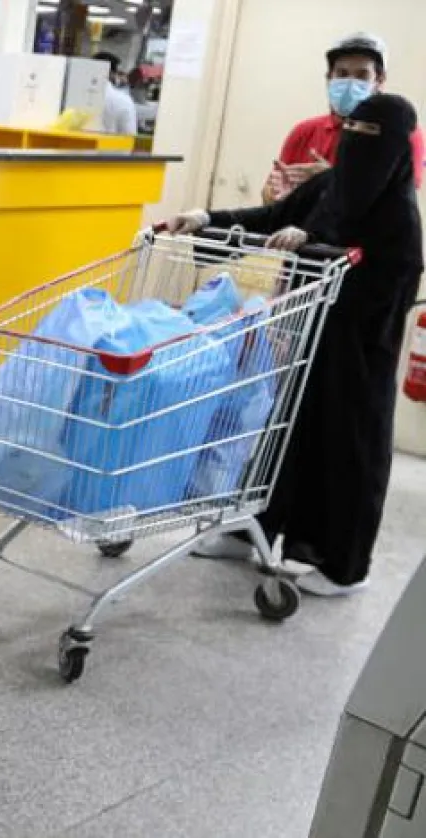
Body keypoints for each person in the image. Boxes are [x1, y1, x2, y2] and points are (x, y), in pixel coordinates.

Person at [170, 94, 423, 597]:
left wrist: (310, 245)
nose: (357, 146)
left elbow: (382, 284)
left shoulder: (399, 216)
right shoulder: (330, 185)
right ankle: (251, 532)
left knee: (343, 451)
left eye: (372, 136)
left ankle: (342, 566)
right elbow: (272, 217)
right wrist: (207, 218)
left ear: (397, 149)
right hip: (307, 339)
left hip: (356, 360)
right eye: (352, 131)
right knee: (281, 437)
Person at [261, 33, 424, 204]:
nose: (350, 83)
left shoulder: (404, 135)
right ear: (329, 78)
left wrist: (330, 180)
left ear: (379, 81)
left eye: (362, 75)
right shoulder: (304, 132)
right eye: (342, 73)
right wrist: (276, 196)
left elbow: (397, 207)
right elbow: (268, 198)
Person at [95, 51, 137, 136]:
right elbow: (129, 135)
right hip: (110, 147)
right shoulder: (124, 101)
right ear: (112, 74)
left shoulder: (73, 95)